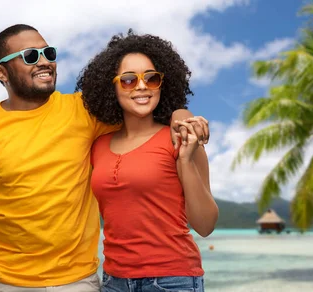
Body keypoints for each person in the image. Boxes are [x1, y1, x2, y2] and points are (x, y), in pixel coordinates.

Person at [0, 24, 209, 292]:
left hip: (80, 282)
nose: (44, 62)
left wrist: (181, 115)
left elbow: (142, 105)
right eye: (30, 56)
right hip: (6, 283)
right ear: (0, 72)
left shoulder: (84, 111)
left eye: (48, 53)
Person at [76, 30, 218, 292]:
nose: (141, 86)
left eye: (151, 78)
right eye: (129, 80)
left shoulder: (181, 137)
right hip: (114, 280)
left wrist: (186, 160)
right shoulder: (98, 146)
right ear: (112, 86)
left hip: (173, 279)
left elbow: (205, 225)